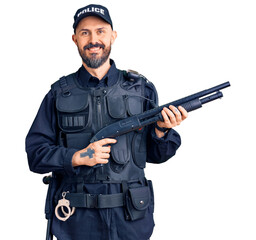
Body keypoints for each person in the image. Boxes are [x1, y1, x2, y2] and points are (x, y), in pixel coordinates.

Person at [25, 4, 188, 240]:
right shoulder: (59, 94)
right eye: (85, 32)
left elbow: (155, 155)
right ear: (75, 39)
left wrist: (162, 131)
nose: (93, 39)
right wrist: (77, 157)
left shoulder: (141, 89)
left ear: (113, 35)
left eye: (100, 31)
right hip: (76, 221)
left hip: (130, 220)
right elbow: (35, 154)